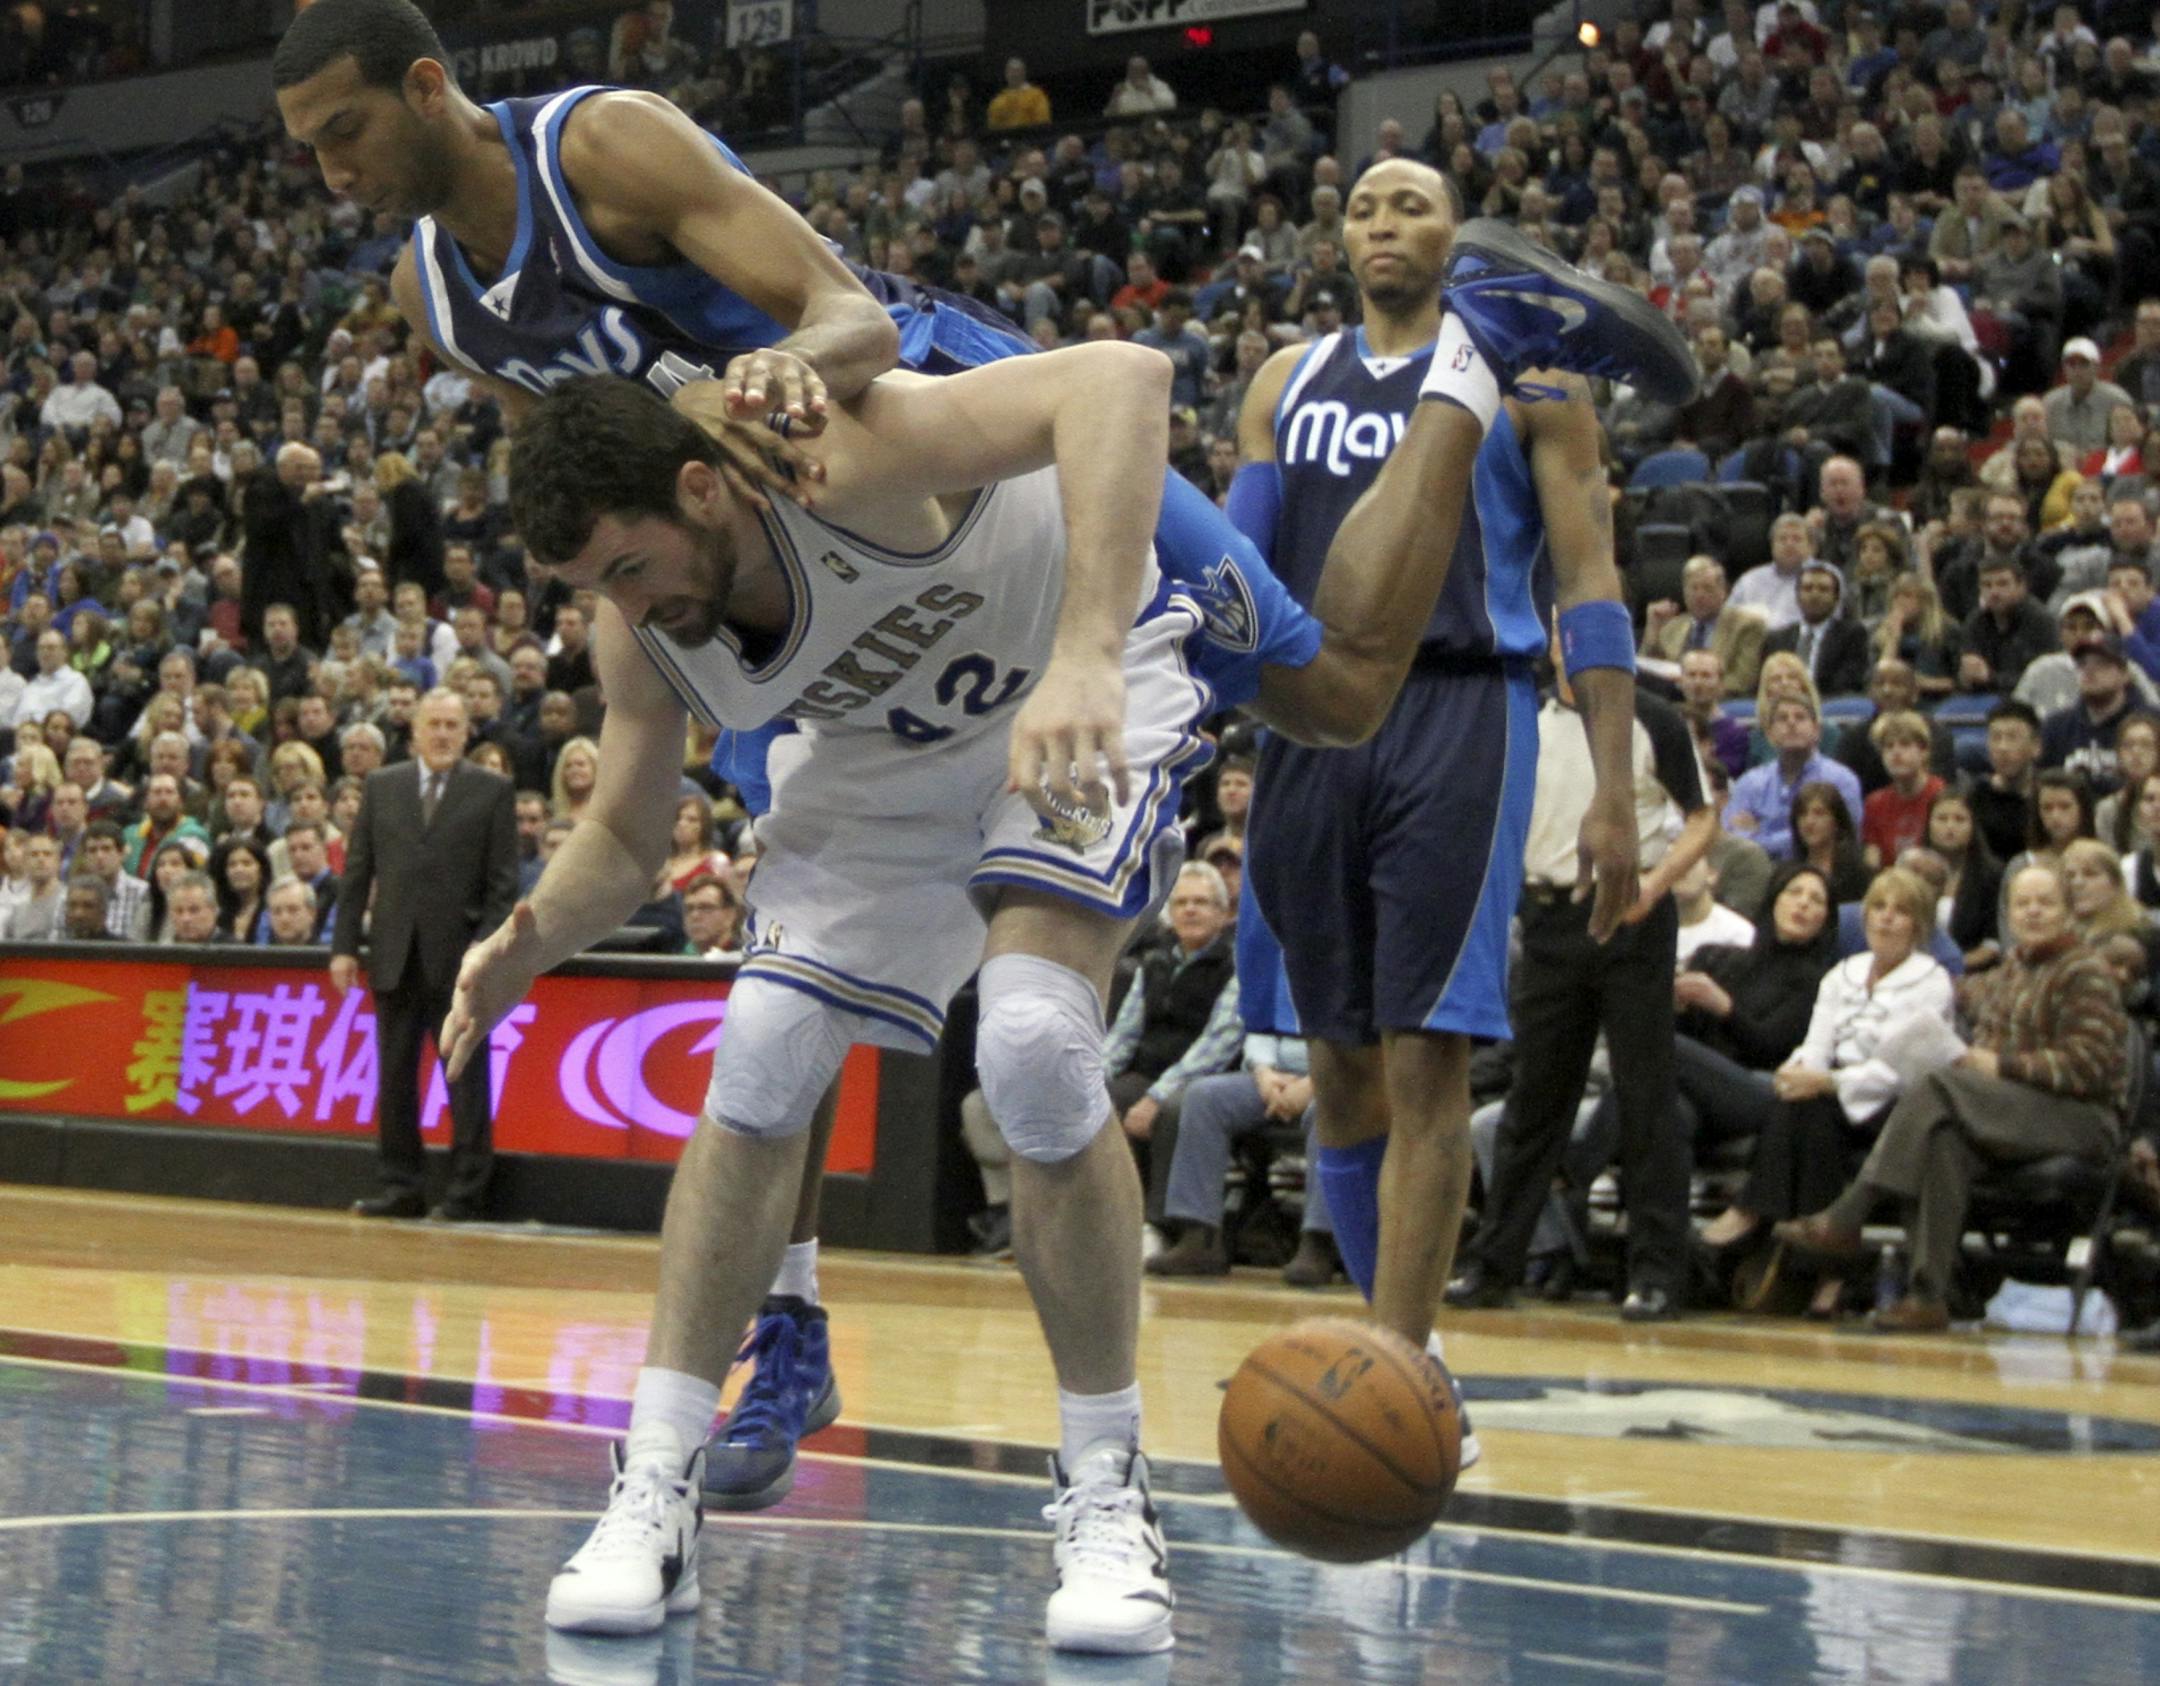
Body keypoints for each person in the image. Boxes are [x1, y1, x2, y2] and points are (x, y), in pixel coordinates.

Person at [444, 234, 1695, 1647]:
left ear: (697, 485)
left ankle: (1108, 1493)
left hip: (1073, 661)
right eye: (589, 584)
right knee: (763, 1042)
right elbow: (621, 833)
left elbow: (1117, 375)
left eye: (629, 564)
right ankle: (653, 1484)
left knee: (1043, 1037)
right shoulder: (643, 629)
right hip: (887, 755)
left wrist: (1091, 648)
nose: (623, 601)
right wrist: (528, 934)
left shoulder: (831, 448)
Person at [271, 0, 1059, 1507]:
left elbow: (858, 321)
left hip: (917, 464)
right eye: (307, 152)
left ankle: (1492, 356)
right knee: (790, 953)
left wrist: (739, 390)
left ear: (430, 88)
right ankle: (794, 1315)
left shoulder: (605, 147)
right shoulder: (435, 291)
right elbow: (569, 475)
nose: (331, 176)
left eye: (347, 135)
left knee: (1317, 680)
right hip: (758, 582)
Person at [1229, 175, 1692, 1362]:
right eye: (1367, 206)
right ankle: (1408, 1363)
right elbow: (1235, 570)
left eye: (1414, 206)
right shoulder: (1284, 382)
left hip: (1460, 711)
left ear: (1461, 241)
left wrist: (1607, 790)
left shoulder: (1540, 386)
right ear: (1339, 237)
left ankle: (1400, 1355)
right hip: (1307, 718)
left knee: (1426, 1052)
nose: (1385, 222)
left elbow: (1588, 585)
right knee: (1336, 1065)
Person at [1447, 641, 1715, 1319]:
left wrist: (1654, 887)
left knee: (1645, 1096)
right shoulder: (1526, 719)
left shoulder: (1654, 718)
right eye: (1566, 630)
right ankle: (1496, 1264)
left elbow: (1704, 816)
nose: (1578, 645)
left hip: (1631, 917)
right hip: (1548, 918)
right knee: (1535, 1097)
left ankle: (1657, 1274)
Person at [1777, 863, 2127, 1331]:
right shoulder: (2011, 969)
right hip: (2006, 1112)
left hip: (2079, 1119)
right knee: (1942, 1137)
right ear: (2009, 914)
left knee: (1940, 1085)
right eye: (2023, 903)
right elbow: (1956, 991)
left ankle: (1849, 1213)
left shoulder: (2085, 970)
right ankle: (1927, 1296)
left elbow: (2091, 1065)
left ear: (2067, 911)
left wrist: (2000, 1066)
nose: (2034, 912)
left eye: (2046, 902)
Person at [1718, 867, 1956, 1314]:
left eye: (1900, 912)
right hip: (1832, 1094)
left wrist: (1827, 1082)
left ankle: (1764, 1218)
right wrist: (1800, 1072)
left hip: (1896, 1103)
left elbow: (1899, 1069)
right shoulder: (1843, 972)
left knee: (1816, 1105)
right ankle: (1827, 1267)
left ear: (1919, 925)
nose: (1886, 919)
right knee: (1803, 1106)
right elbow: (1816, 1044)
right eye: (1879, 908)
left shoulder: (1931, 981)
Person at [332, 688, 517, 1223]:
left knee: (466, 1078)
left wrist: (482, 952)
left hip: (460, 963)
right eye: (432, 724)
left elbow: (502, 887)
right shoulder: (382, 786)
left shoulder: (492, 791)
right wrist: (344, 946)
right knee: (392, 1077)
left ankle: (466, 1192)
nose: (441, 734)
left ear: (466, 733)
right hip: (393, 954)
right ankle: (399, 1185)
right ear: (413, 731)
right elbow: (358, 873)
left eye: (451, 726)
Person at [1727, 694, 1864, 856]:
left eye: (1800, 717)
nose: (1791, 723)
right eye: (1782, 718)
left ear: (1817, 731)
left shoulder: (1841, 780)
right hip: (1759, 873)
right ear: (1769, 734)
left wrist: (1759, 836)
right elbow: (1731, 839)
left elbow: (1842, 837)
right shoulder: (1749, 783)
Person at [1761, 559, 1870, 696]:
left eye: (1823, 589)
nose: (1815, 595)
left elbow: (1850, 681)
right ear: (1797, 596)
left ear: (1836, 598)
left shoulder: (1852, 635)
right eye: (1808, 588)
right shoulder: (1777, 639)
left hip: (1829, 705)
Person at [1862, 712, 1946, 869]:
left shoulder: (1942, 796)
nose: (1896, 752)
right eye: (1889, 746)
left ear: (1924, 751)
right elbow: (1872, 865)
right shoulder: (1874, 804)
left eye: (1905, 744)